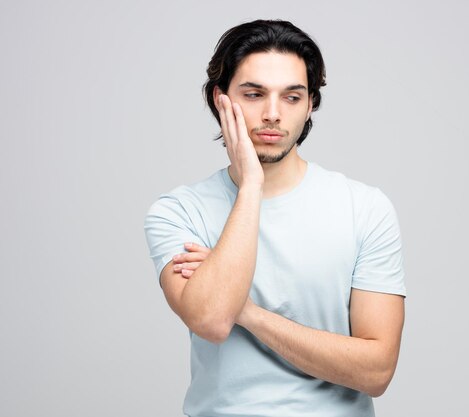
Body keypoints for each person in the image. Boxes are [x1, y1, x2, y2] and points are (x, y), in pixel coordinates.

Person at [144, 19, 406, 417]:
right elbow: (213, 320)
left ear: (311, 104)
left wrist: (247, 312)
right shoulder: (179, 210)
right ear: (221, 99)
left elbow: (377, 371)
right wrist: (251, 185)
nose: (272, 114)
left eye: (291, 97)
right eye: (253, 94)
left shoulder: (365, 208)